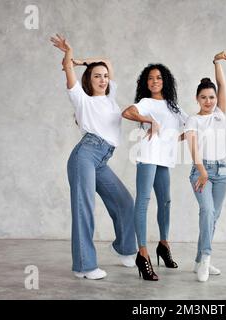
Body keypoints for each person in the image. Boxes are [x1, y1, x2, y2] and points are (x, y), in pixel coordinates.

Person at [50, 34, 137, 280]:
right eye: (96, 76)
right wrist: (70, 57)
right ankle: (84, 266)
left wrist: (84, 61)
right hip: (85, 155)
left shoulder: (111, 98)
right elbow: (68, 71)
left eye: (105, 76)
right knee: (84, 208)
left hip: (102, 160)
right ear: (88, 80)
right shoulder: (81, 99)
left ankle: (124, 248)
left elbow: (107, 60)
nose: (102, 79)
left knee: (124, 202)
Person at [122, 64, 188, 281]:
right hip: (147, 156)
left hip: (164, 160)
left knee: (166, 202)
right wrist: (148, 120)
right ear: (145, 82)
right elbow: (127, 112)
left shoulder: (173, 106)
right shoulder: (145, 103)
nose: (155, 81)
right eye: (150, 78)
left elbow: (189, 126)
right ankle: (142, 253)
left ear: (165, 81)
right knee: (143, 201)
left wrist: (175, 139)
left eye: (159, 78)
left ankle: (163, 244)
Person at [184, 51, 226, 282]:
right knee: (207, 211)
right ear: (197, 99)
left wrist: (216, 62)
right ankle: (206, 258)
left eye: (212, 97)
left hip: (223, 172)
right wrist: (202, 172)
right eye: (204, 97)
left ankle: (198, 261)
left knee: (213, 217)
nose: (209, 101)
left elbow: (222, 84)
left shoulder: (220, 113)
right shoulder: (193, 120)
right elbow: (193, 148)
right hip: (201, 171)